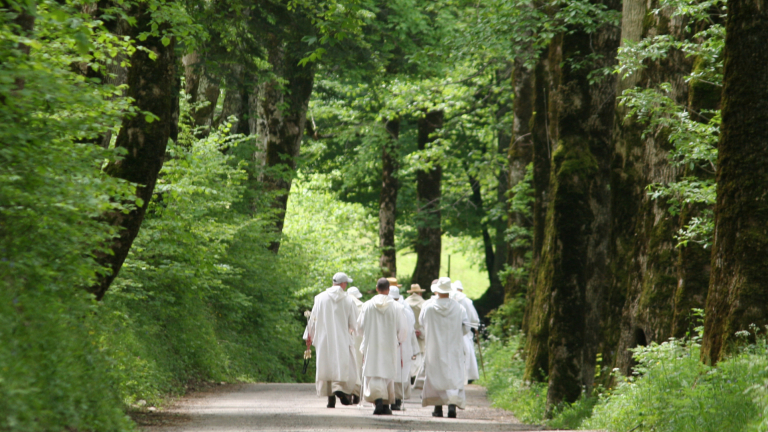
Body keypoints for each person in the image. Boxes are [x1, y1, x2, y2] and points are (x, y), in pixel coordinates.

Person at [303, 272, 359, 408]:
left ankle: (331, 399)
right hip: (342, 339)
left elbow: (313, 319)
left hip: (324, 338)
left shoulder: (320, 298)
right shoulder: (348, 300)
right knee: (344, 365)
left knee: (326, 364)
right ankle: (340, 389)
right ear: (343, 284)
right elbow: (353, 323)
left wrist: (309, 336)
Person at [420, 277, 470, 419]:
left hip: (434, 347)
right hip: (453, 346)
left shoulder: (428, 307)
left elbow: (422, 323)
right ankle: (452, 405)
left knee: (437, 374)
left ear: (437, 291)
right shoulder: (459, 308)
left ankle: (438, 407)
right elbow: (466, 326)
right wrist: (457, 334)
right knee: (452, 374)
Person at [357, 278, 408, 415]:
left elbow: (360, 328)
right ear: (389, 289)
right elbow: (403, 329)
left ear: (376, 288)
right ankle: (385, 402)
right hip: (389, 344)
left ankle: (380, 401)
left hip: (371, 344)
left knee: (373, 373)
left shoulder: (367, 305)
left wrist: (366, 336)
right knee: (387, 373)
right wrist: (399, 340)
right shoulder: (397, 307)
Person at [388, 286, 420, 410]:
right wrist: (414, 348)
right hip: (403, 345)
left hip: (397, 345)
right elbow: (411, 330)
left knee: (395, 372)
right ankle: (397, 400)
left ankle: (394, 400)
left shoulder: (393, 309)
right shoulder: (406, 310)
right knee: (401, 372)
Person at [452, 280, 480, 383]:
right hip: (465, 330)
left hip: (452, 331)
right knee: (467, 351)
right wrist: (476, 326)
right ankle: (468, 375)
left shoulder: (450, 299)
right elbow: (473, 317)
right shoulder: (467, 301)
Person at [404, 284, 427, 383]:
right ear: (420, 292)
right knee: (419, 355)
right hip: (421, 332)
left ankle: (409, 373)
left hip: (408, 332)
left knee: (409, 354)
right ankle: (416, 374)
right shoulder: (424, 303)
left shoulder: (405, 303)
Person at [347, 286, 365, 404]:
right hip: (359, 336)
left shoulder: (344, 303)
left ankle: (347, 391)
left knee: (347, 363)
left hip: (346, 335)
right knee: (358, 364)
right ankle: (357, 392)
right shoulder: (363, 306)